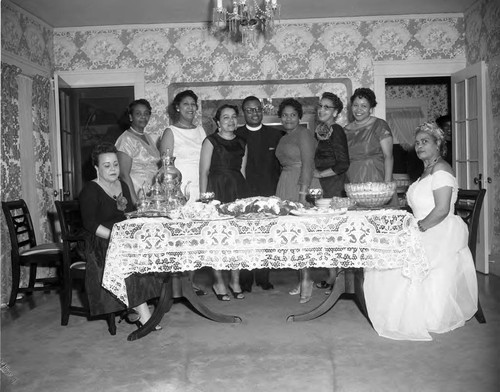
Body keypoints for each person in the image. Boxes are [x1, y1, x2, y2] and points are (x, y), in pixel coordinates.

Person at [363, 122, 478, 340]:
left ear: (438, 144)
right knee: (380, 252)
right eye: (416, 143)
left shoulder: (442, 170)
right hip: (423, 226)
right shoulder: (425, 171)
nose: (419, 146)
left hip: (438, 229)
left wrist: (419, 228)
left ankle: (417, 315)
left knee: (392, 258)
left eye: (425, 141)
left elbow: (443, 209)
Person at [79, 143, 163, 329]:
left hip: (122, 236)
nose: (113, 169)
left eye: (115, 164)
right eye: (106, 165)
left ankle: (138, 303)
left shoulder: (123, 185)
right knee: (126, 256)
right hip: (100, 239)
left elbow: (130, 214)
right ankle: (143, 314)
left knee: (151, 247)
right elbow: (90, 224)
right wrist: (115, 237)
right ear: (96, 168)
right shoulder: (90, 190)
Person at [159, 90, 207, 296]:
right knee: (181, 236)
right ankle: (176, 286)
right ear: (177, 107)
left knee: (198, 236)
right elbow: (166, 166)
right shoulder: (170, 132)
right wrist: (173, 194)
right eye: (185, 104)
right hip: (180, 190)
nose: (190, 108)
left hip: (200, 187)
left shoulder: (201, 131)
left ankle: (191, 282)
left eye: (193, 104)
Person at [199, 104, 249, 301]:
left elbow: (242, 172)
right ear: (218, 122)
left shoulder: (243, 142)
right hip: (217, 190)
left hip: (238, 190)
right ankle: (218, 281)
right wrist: (205, 200)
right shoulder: (210, 141)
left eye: (234, 117)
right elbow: (203, 172)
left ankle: (234, 281)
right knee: (218, 238)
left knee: (237, 238)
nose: (230, 120)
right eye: (225, 117)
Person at [235, 96, 284, 293]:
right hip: (243, 191)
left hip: (268, 190)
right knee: (244, 237)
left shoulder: (275, 134)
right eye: (249, 110)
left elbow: (280, 166)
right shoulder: (236, 134)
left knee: (266, 236)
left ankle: (264, 277)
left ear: (262, 110)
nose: (254, 113)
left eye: (257, 109)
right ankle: (245, 279)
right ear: (243, 113)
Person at [275, 98, 319, 304]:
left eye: (293, 114)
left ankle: (308, 280)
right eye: (285, 115)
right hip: (286, 183)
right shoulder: (284, 137)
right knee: (293, 237)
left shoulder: (304, 133)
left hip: (302, 184)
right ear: (280, 117)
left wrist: (302, 195)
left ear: (299, 116)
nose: (289, 118)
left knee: (303, 236)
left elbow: (308, 165)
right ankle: (302, 280)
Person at [312, 92, 350, 293]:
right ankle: (332, 276)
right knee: (326, 234)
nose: (322, 110)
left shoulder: (336, 130)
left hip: (334, 186)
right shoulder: (322, 130)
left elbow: (343, 163)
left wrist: (319, 173)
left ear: (335, 112)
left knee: (334, 233)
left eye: (327, 107)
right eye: (320, 106)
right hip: (325, 186)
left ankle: (340, 281)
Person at [344, 87, 397, 204]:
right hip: (353, 183)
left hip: (377, 180)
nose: (358, 109)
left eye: (364, 106)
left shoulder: (380, 125)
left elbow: (388, 156)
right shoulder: (345, 130)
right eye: (355, 105)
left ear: (371, 109)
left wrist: (386, 185)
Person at [115, 99, 161, 205]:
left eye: (146, 114)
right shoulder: (126, 139)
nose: (143, 117)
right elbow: (123, 174)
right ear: (131, 117)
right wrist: (136, 202)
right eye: (138, 114)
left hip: (151, 195)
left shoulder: (148, 137)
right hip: (135, 195)